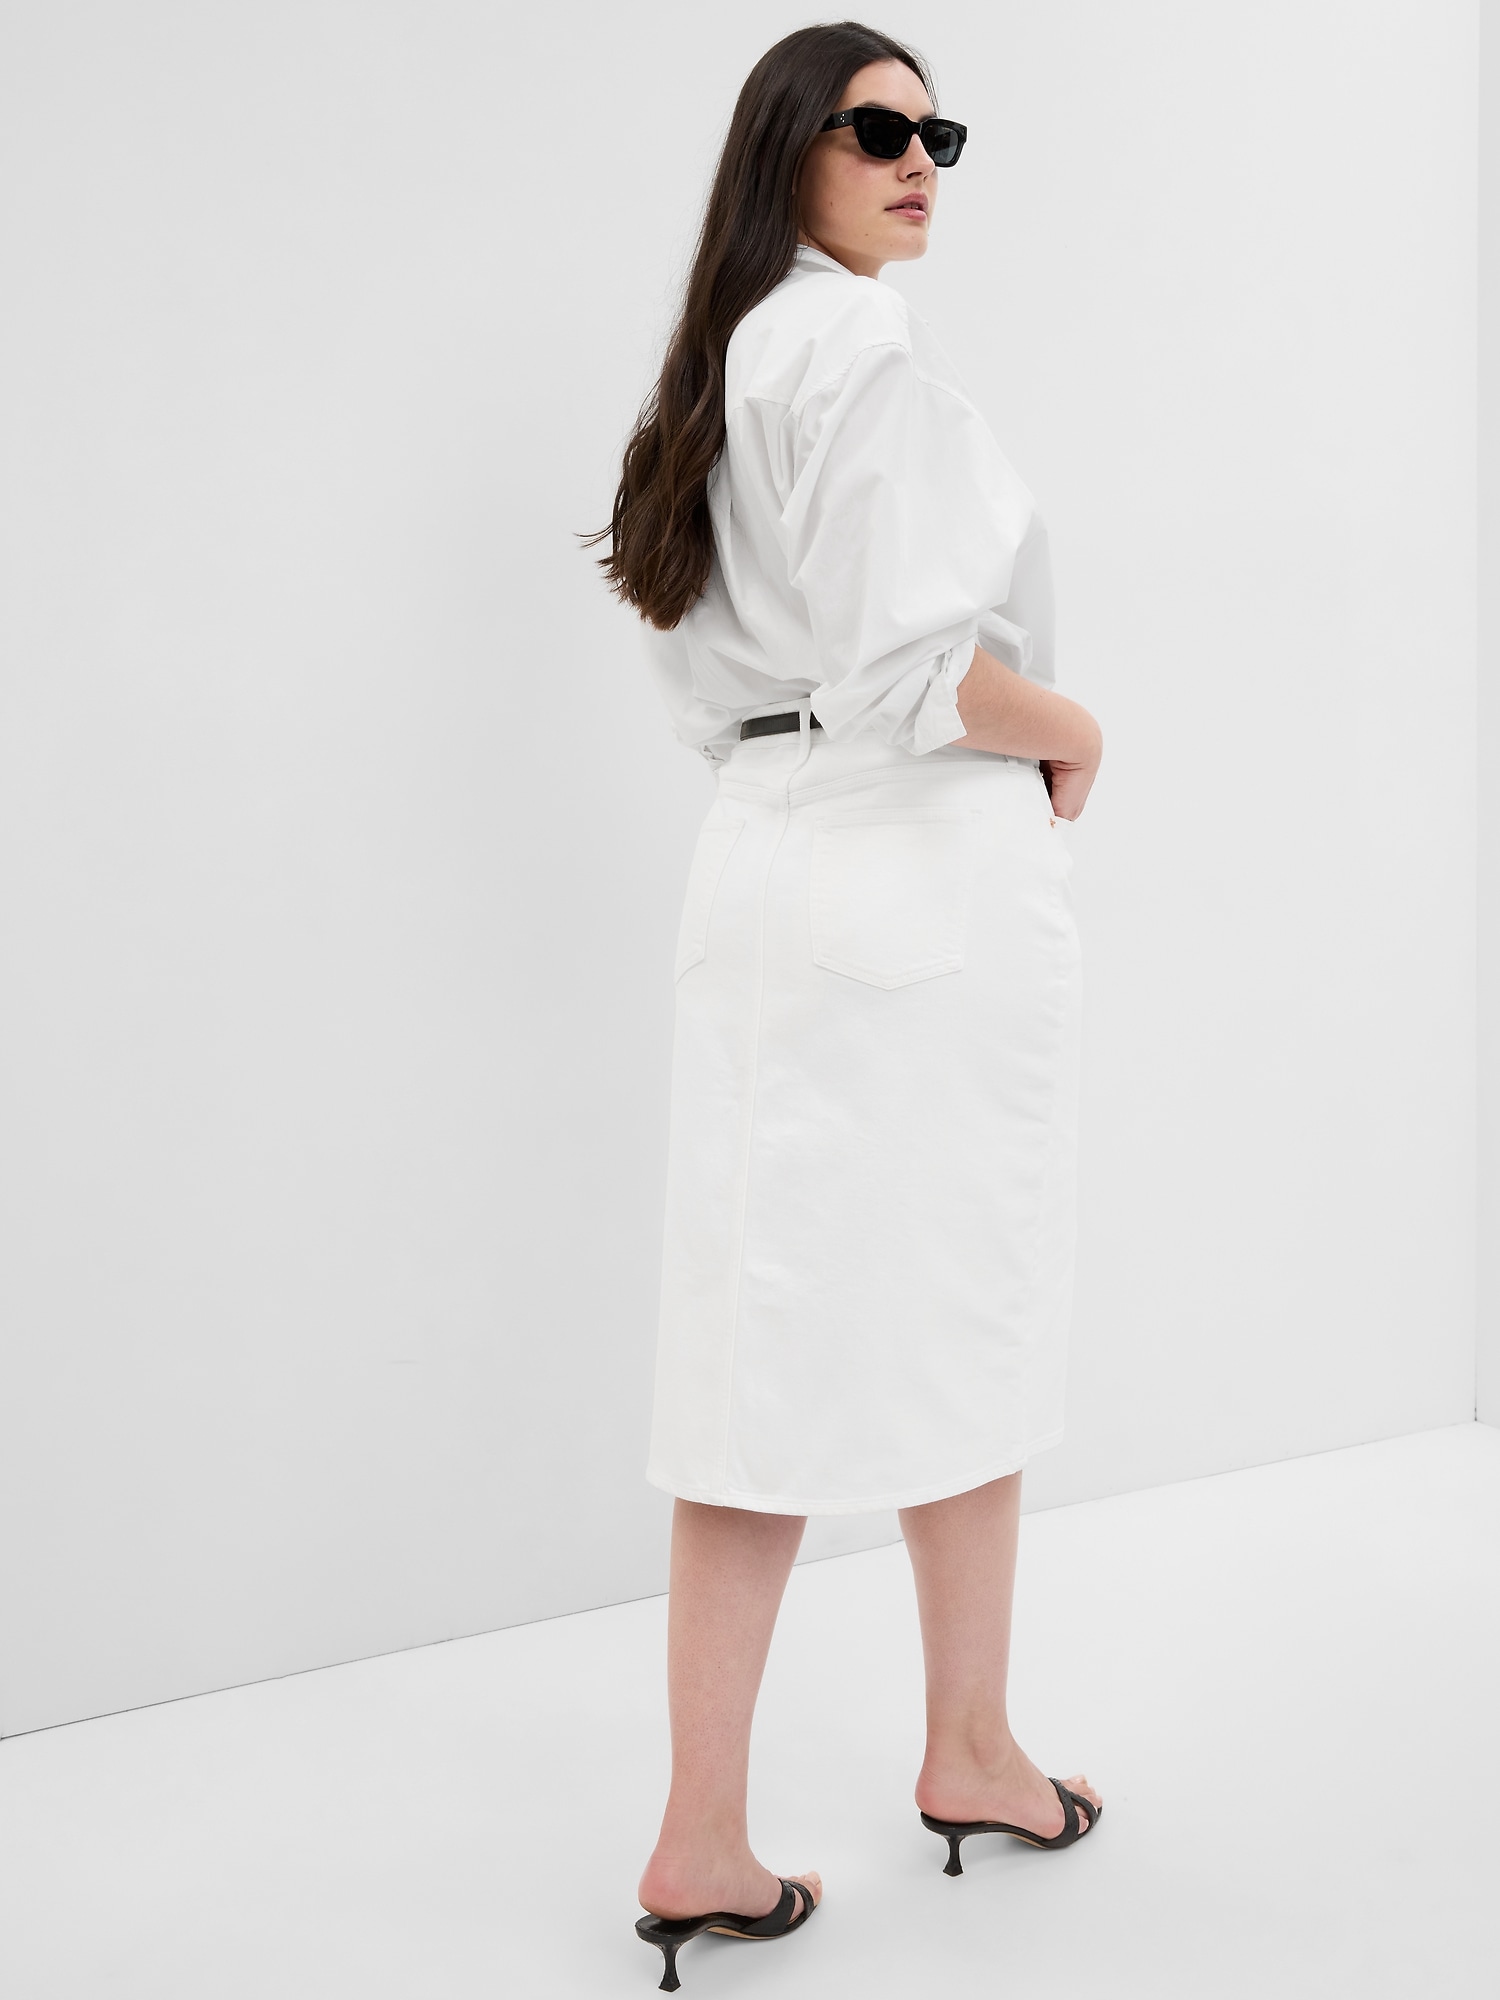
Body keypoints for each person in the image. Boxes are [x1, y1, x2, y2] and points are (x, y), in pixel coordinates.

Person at [589, 21, 1105, 1990]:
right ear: (785, 150)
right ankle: (957, 1750)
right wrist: (1071, 726)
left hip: (763, 851)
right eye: (875, 126)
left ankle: (741, 1823)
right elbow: (915, 675)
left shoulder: (721, 363)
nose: (916, 159)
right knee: (963, 1291)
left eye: (936, 131)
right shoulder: (859, 349)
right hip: (908, 856)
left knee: (759, 1352)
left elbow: (721, 662)